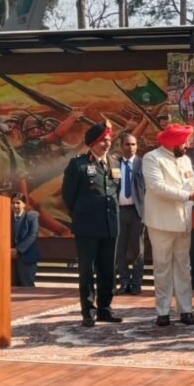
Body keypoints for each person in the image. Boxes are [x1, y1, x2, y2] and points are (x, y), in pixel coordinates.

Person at [142, 123, 194, 327]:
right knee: (162, 267)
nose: (187, 146)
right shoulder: (152, 158)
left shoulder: (185, 160)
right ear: (174, 142)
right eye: (184, 142)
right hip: (161, 222)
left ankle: (186, 310)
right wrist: (189, 195)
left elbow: (193, 183)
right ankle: (162, 311)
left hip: (183, 222)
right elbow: (157, 187)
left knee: (183, 267)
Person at [61, 121, 123, 327]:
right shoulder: (78, 164)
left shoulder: (114, 163)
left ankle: (105, 308)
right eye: (102, 140)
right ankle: (88, 311)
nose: (107, 144)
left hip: (110, 225)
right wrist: (81, 216)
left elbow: (114, 191)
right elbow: (68, 196)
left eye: (108, 140)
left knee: (108, 269)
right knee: (87, 270)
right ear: (93, 142)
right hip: (87, 226)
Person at [114, 133, 146, 295]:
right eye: (127, 144)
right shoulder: (114, 164)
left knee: (138, 251)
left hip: (136, 213)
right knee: (119, 250)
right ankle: (124, 282)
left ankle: (136, 284)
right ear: (121, 146)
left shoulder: (143, 164)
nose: (131, 147)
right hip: (119, 212)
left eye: (133, 144)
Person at [10, 192, 40, 287]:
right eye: (13, 203)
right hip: (10, 259)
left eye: (18, 203)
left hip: (26, 257)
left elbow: (32, 235)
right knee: (12, 288)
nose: (15, 205)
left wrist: (17, 250)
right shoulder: (6, 217)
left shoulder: (31, 217)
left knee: (27, 287)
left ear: (24, 204)